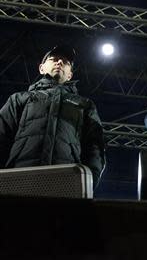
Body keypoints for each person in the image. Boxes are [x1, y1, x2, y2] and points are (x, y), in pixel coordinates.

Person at [0, 45, 106, 187]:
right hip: (18, 180)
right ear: (41, 68)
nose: (59, 62)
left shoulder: (84, 105)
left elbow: (95, 147)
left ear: (70, 75)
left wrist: (88, 183)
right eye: (54, 59)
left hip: (65, 184)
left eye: (65, 62)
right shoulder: (19, 99)